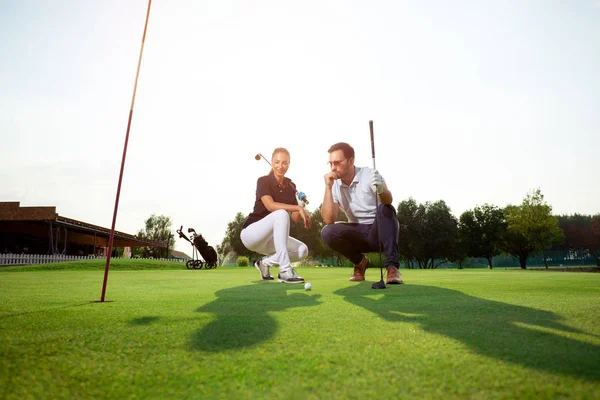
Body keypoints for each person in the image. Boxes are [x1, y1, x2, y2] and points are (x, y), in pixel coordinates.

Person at [321, 142, 403, 284]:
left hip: (379, 232)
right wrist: (328, 187)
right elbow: (329, 219)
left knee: (386, 208)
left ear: (351, 161)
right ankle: (360, 262)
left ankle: (392, 268)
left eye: (337, 163)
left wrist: (381, 190)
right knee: (327, 232)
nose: (333, 168)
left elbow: (388, 200)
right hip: (357, 233)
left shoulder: (368, 174)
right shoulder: (334, 184)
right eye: (330, 163)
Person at [240, 148, 311, 283]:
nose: (280, 166)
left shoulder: (291, 186)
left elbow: (295, 218)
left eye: (284, 163)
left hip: (271, 240)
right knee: (281, 214)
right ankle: (285, 271)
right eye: (277, 162)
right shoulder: (263, 181)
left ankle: (265, 263)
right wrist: (296, 207)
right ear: (272, 162)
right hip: (252, 234)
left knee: (302, 250)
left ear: (289, 164)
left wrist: (300, 204)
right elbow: (270, 205)